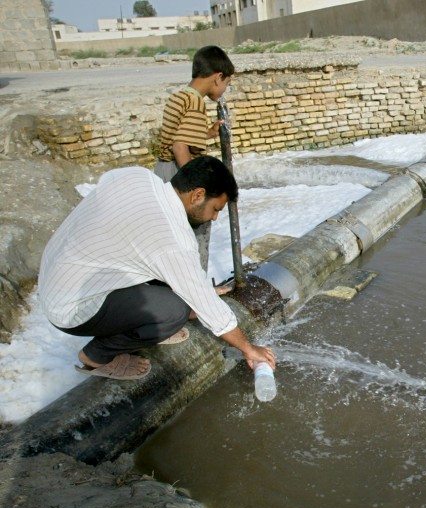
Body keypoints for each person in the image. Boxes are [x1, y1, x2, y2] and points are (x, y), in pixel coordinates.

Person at [38, 155, 275, 380]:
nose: (213, 218)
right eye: (215, 209)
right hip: (71, 308)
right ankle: (97, 356)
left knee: (177, 286)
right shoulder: (172, 237)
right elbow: (211, 310)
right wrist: (248, 348)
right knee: (173, 311)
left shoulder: (138, 176)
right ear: (198, 195)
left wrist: (197, 290)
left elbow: (174, 266)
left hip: (57, 275)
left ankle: (146, 321)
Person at [154, 45, 235, 270]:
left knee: (171, 237)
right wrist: (195, 186)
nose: (224, 90)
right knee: (197, 233)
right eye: (227, 83)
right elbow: (180, 146)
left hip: (162, 171)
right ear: (218, 77)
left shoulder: (180, 97)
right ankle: (197, 292)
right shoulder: (196, 103)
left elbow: (177, 134)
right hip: (178, 173)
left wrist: (206, 132)